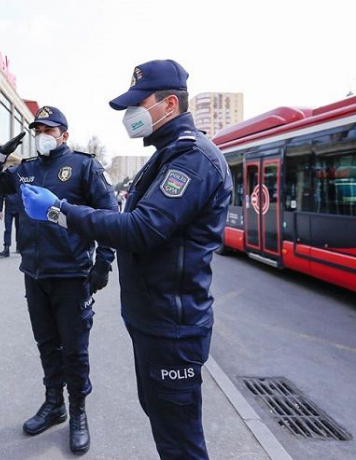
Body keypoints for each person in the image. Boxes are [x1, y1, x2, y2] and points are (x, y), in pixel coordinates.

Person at [21, 60, 233, 460]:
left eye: (139, 103)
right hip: (152, 320)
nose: (131, 115)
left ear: (170, 104)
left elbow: (140, 228)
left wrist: (59, 211)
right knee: (163, 423)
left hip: (173, 327)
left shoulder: (192, 159)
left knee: (180, 442)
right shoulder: (165, 155)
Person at [0, 106, 117, 454]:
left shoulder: (85, 167)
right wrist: (0, 154)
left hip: (72, 275)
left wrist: (103, 261)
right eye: (37, 128)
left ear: (64, 134)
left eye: (49, 128)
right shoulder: (25, 169)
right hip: (35, 273)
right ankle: (53, 403)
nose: (42, 134)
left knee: (74, 350)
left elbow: (109, 214)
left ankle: (79, 413)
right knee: (47, 346)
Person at [0, 192, 20, 257]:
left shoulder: (18, 182)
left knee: (19, 228)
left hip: (19, 210)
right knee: (7, 229)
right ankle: (6, 248)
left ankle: (19, 246)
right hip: (8, 210)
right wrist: (0, 210)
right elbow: (1, 197)